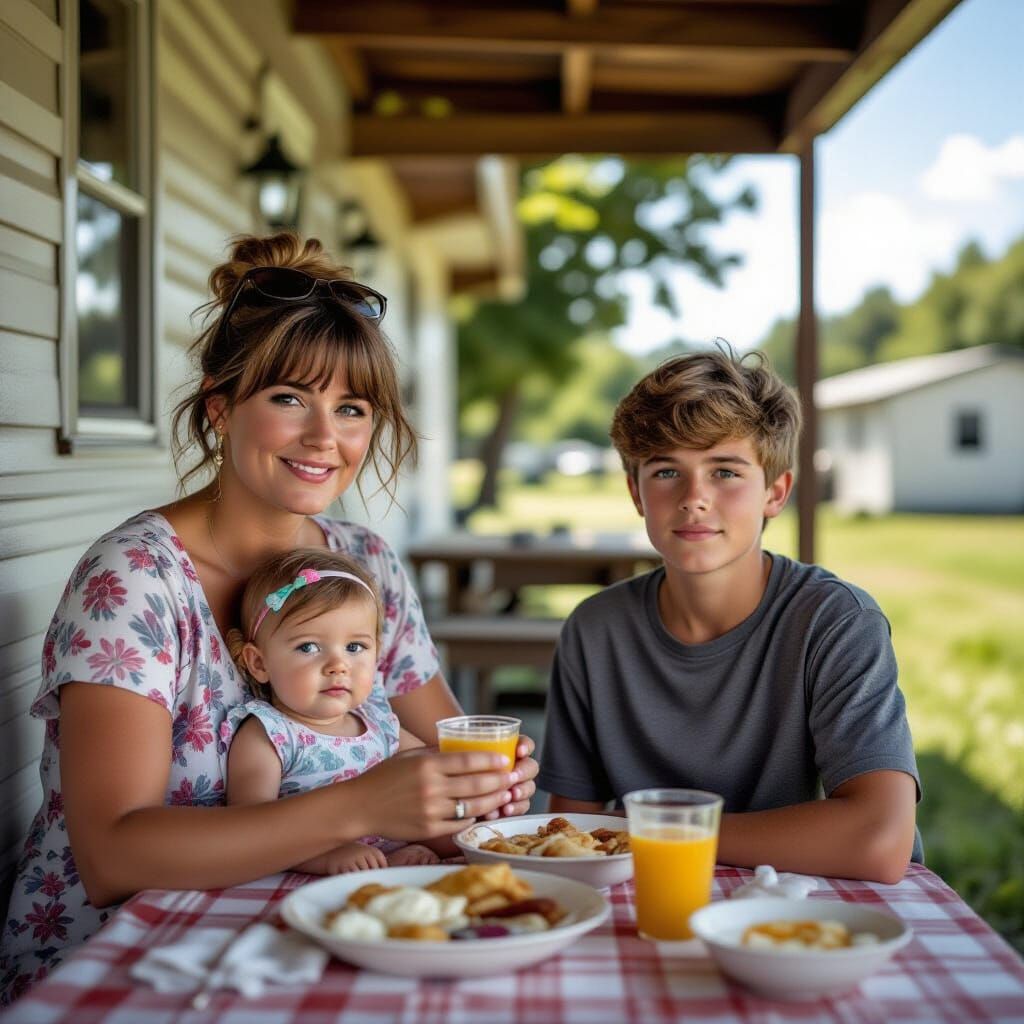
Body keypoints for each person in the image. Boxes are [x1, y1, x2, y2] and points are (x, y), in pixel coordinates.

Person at [0, 232, 538, 1003]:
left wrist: (489, 781)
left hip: (323, 937)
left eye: (351, 408)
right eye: (290, 398)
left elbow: (452, 738)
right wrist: (358, 803)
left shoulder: (367, 563)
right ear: (220, 407)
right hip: (129, 963)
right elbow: (112, 854)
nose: (326, 438)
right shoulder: (137, 579)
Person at [537, 347, 921, 883]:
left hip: (806, 913)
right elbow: (569, 834)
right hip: (647, 902)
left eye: (725, 472)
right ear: (635, 492)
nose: (695, 498)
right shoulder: (595, 629)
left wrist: (653, 831)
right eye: (667, 470)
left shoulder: (834, 622)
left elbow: (879, 840)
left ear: (776, 492)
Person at [223, 547, 443, 871]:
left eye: (355, 647)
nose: (338, 665)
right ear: (259, 663)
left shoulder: (379, 724)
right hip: (303, 883)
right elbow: (251, 829)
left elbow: (429, 768)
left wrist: (482, 769)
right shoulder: (270, 735)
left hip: (381, 870)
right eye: (308, 647)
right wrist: (324, 855)